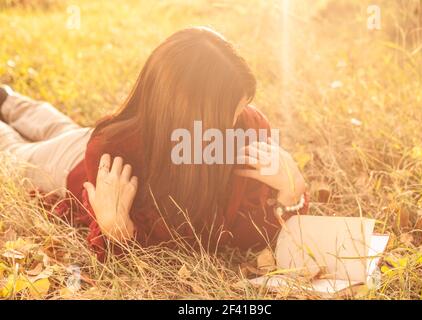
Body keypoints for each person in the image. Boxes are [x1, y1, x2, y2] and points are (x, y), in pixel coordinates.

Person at [0, 27, 308, 260]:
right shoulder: (115, 150)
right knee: (14, 155)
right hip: (74, 166)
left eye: (241, 108)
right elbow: (124, 261)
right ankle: (7, 104)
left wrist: (291, 194)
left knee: (58, 128)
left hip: (100, 138)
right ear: (186, 114)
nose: (239, 123)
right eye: (228, 112)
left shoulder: (246, 128)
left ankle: (8, 99)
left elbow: (255, 232)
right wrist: (115, 232)